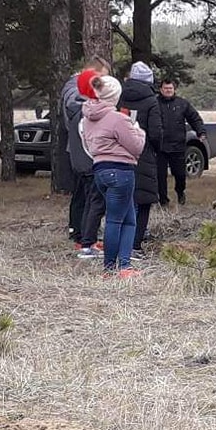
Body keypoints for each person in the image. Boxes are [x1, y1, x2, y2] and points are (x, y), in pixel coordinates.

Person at [81, 73, 146, 277]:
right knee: (117, 220)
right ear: (115, 96)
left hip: (100, 170)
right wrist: (138, 131)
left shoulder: (88, 118)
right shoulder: (118, 119)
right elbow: (136, 147)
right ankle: (116, 267)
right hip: (121, 171)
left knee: (127, 219)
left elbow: (88, 145)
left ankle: (119, 266)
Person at [63, 58, 109, 257]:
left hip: (81, 146)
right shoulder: (74, 88)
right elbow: (75, 107)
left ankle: (82, 233)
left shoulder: (76, 87)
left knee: (84, 194)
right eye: (101, 78)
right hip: (82, 148)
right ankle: (83, 237)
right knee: (88, 195)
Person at [119, 64, 164, 252]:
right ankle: (135, 244)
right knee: (143, 201)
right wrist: (156, 149)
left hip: (120, 152)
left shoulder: (119, 96)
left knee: (122, 200)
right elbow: (155, 132)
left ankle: (120, 242)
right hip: (143, 152)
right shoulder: (151, 101)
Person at [149, 77, 207, 205]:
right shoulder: (154, 103)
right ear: (161, 89)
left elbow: (194, 118)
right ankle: (163, 200)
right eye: (165, 88)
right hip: (160, 147)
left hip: (178, 146)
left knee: (180, 175)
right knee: (160, 176)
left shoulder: (182, 104)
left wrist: (201, 131)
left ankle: (180, 192)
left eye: (170, 88)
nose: (168, 91)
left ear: (174, 89)